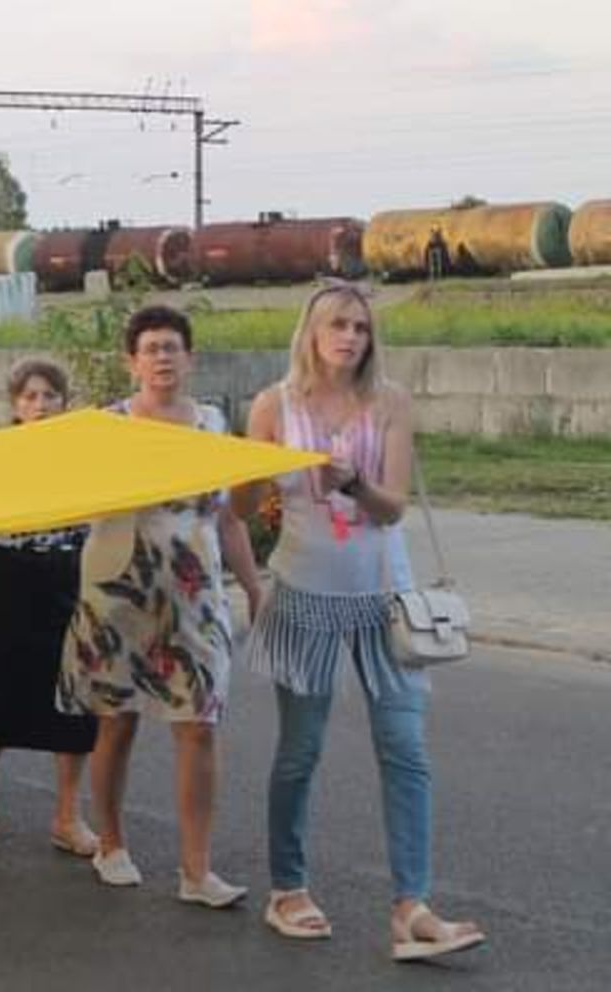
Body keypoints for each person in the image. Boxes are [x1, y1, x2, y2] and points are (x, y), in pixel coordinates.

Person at [239, 284, 485, 960]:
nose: (351, 337)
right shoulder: (271, 406)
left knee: (405, 749)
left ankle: (412, 906)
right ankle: (287, 888)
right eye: (338, 325)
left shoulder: (391, 402)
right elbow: (240, 504)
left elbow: (394, 509)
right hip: (304, 592)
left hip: (386, 597)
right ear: (311, 333)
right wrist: (247, 472)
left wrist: (350, 480)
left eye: (361, 327)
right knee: (301, 750)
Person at [56, 305, 265, 907]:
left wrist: (251, 583)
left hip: (193, 596)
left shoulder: (212, 425)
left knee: (199, 724)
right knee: (116, 721)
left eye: (172, 347)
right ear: (132, 361)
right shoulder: (107, 425)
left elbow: (229, 516)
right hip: (118, 593)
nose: (162, 357)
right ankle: (111, 844)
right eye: (150, 348)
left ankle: (197, 870)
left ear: (189, 358)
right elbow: (70, 497)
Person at [0, 359, 98, 854]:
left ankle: (67, 814)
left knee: (75, 696)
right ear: (15, 405)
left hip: (70, 574)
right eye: (30, 397)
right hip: (9, 576)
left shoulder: (88, 454)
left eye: (49, 396)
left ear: (64, 401)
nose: (40, 405)